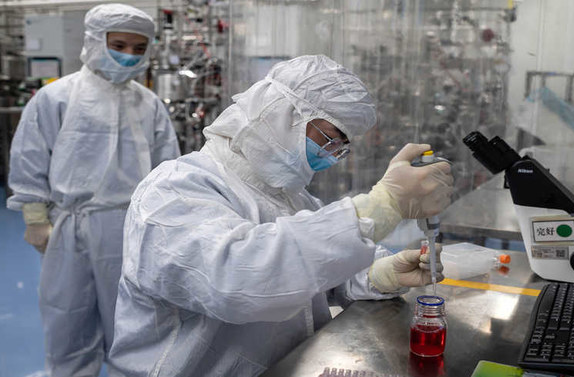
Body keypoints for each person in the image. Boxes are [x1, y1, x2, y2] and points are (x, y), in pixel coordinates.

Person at [109, 55, 453, 376]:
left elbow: (316, 275)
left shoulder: (288, 196)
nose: (334, 155)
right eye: (330, 138)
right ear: (283, 114)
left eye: (342, 146)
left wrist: (379, 275)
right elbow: (241, 281)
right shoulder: (174, 189)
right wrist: (382, 207)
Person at [6, 4, 180, 376]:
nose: (128, 55)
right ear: (94, 41)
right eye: (118, 45)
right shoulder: (56, 98)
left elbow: (169, 170)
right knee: (68, 321)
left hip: (136, 229)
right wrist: (35, 217)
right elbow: (30, 159)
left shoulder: (149, 104)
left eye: (138, 48)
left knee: (136, 327)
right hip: (71, 228)